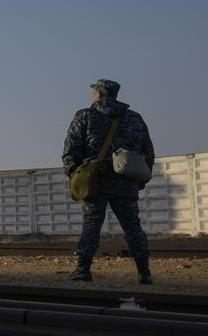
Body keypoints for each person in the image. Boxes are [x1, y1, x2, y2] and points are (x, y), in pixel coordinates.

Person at [63, 79, 155, 284]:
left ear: (98, 94)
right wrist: (139, 181)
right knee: (133, 226)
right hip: (127, 180)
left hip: (96, 180)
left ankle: (83, 270)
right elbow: (147, 152)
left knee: (91, 224)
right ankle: (144, 272)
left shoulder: (85, 116)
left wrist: (75, 176)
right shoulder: (135, 118)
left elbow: (71, 150)